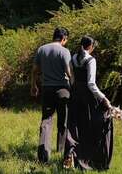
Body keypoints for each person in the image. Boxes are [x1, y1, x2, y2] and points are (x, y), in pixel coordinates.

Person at [64, 35, 113, 171]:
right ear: (90, 47)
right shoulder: (91, 60)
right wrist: (104, 98)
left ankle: (71, 156)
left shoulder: (73, 58)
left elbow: (72, 79)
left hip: (74, 96)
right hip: (87, 98)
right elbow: (91, 84)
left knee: (75, 127)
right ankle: (88, 159)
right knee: (90, 127)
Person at [31, 27, 75, 164]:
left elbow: (35, 70)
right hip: (63, 90)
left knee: (46, 121)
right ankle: (61, 150)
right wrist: (74, 88)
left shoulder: (41, 49)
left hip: (47, 89)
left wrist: (33, 85)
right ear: (63, 38)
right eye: (66, 40)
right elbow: (69, 72)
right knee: (64, 121)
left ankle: (43, 156)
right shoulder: (64, 51)